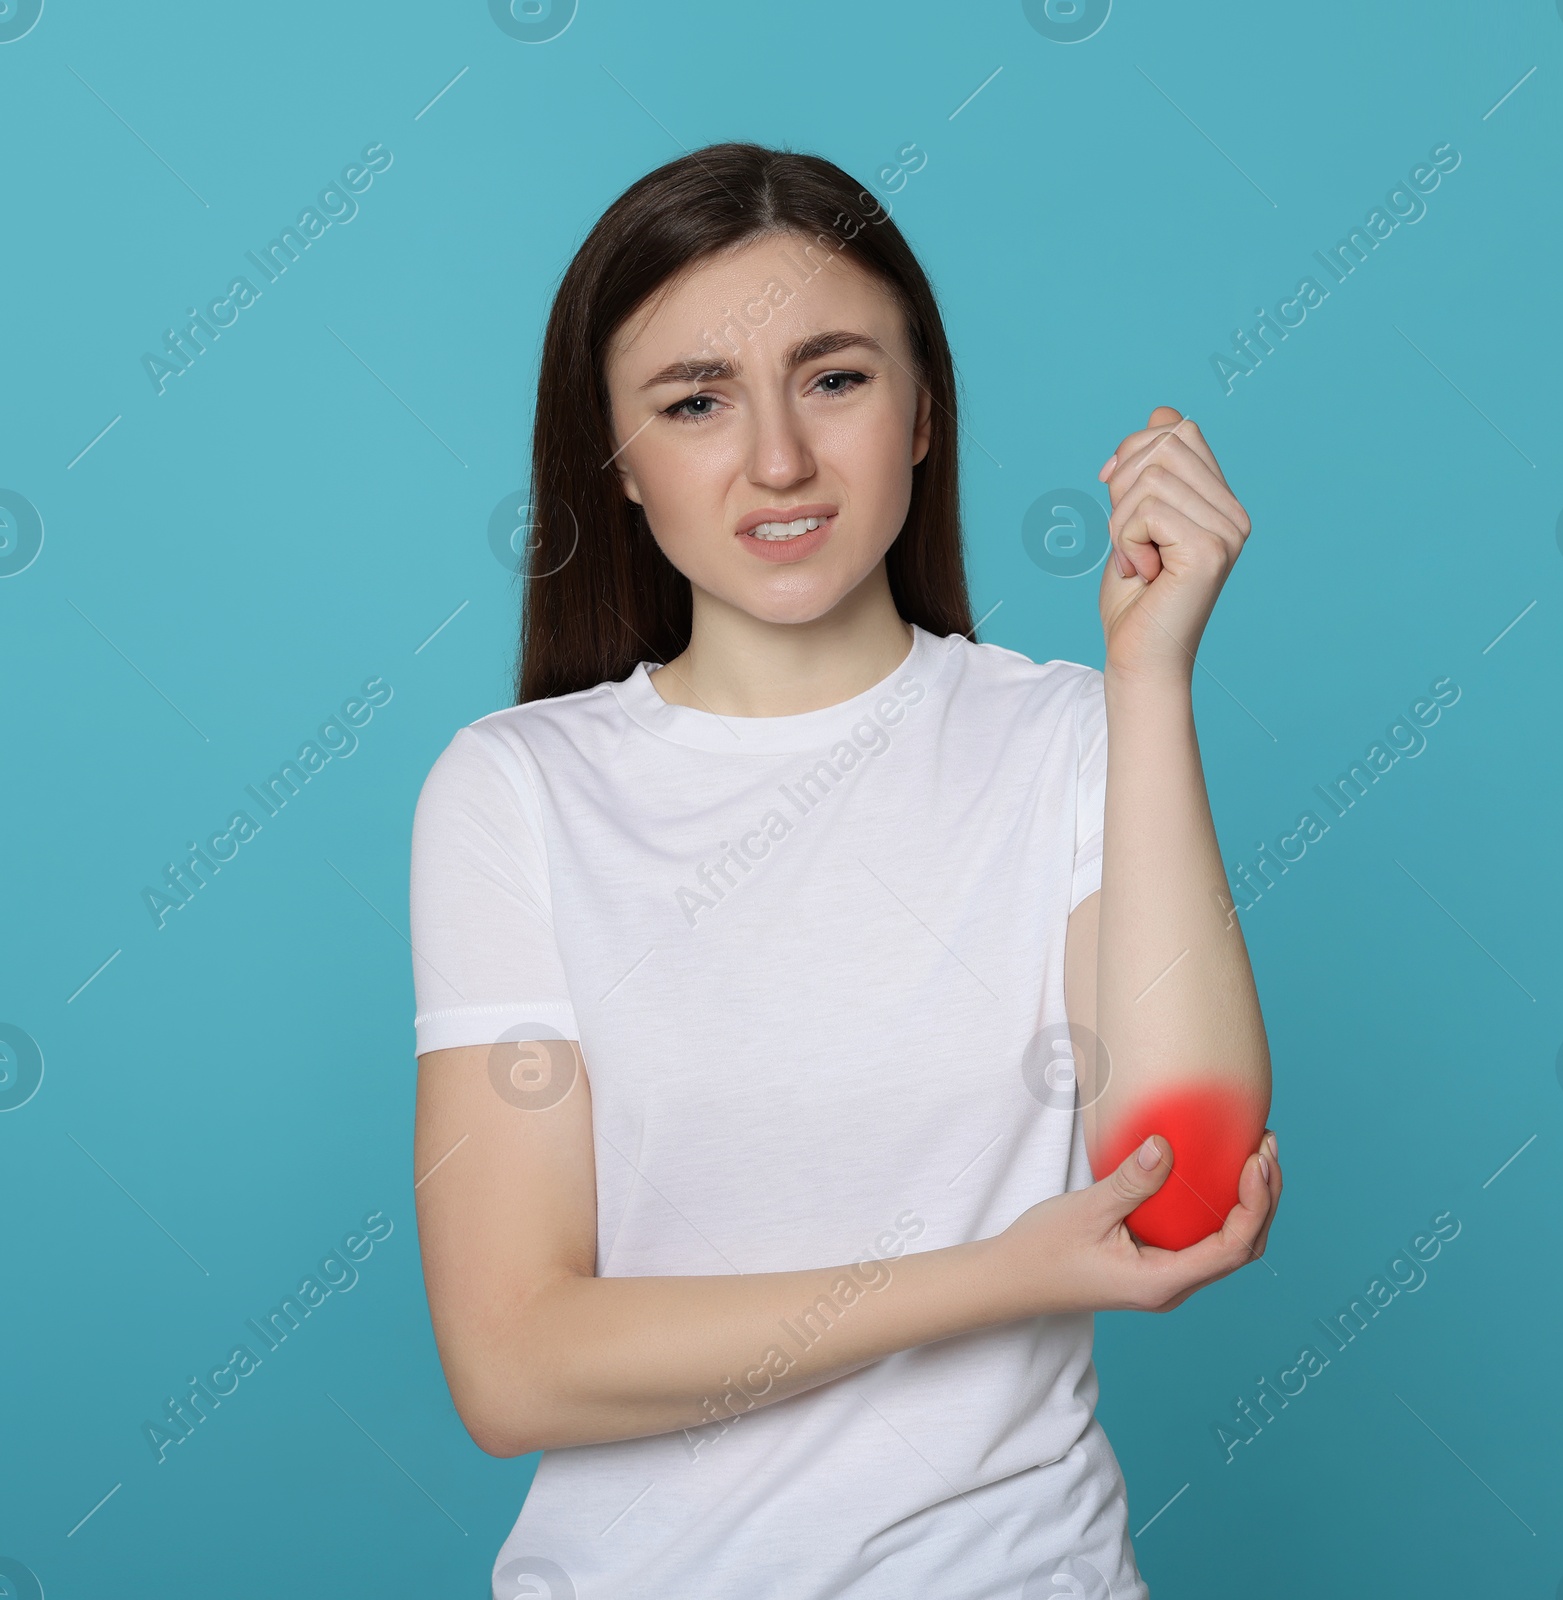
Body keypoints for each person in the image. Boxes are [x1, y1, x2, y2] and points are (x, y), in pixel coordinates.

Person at [408, 141, 1281, 1600]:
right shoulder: (519, 792)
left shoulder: (1068, 734)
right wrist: (1000, 1274)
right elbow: (514, 1365)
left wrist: (1151, 679)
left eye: (835, 377)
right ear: (616, 462)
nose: (777, 462)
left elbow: (1183, 1197)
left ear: (924, 407)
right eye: (696, 402)